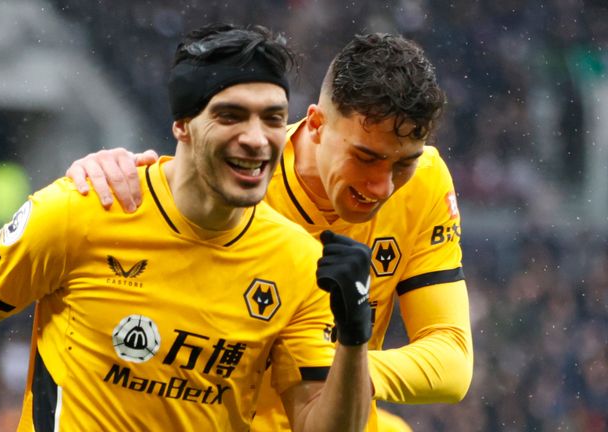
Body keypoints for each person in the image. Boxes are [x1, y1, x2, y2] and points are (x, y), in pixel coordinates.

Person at [0, 24, 374, 431]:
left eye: (272, 118)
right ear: (183, 125)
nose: (255, 139)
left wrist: (355, 337)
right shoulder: (84, 209)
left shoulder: (300, 262)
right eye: (230, 115)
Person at [66, 32, 473, 432]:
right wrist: (98, 179)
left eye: (402, 164)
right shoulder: (241, 182)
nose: (382, 186)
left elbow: (453, 361)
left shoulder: (426, 180)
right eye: (365, 158)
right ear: (315, 124)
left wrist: (347, 368)